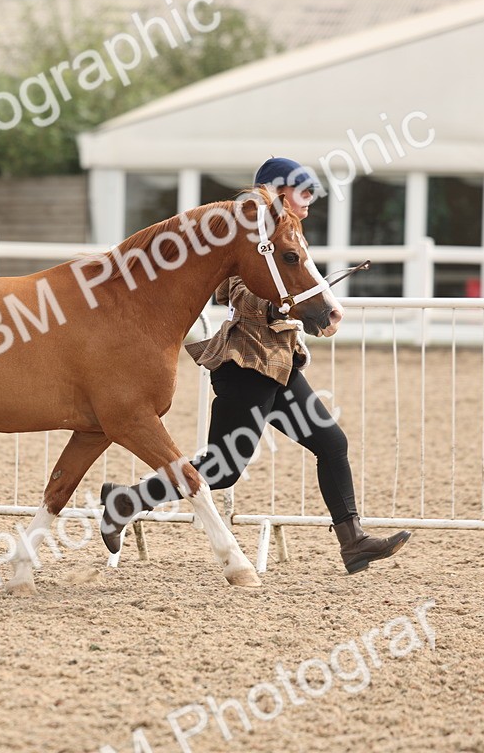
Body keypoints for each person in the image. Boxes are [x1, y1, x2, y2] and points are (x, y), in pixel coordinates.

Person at [99, 157, 411, 574]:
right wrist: (290, 305)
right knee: (222, 469)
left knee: (331, 443)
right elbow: (237, 292)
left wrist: (310, 304)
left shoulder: (286, 234)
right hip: (245, 365)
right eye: (302, 194)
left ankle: (353, 542)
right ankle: (126, 501)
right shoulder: (244, 238)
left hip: (279, 364)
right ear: (278, 192)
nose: (309, 203)